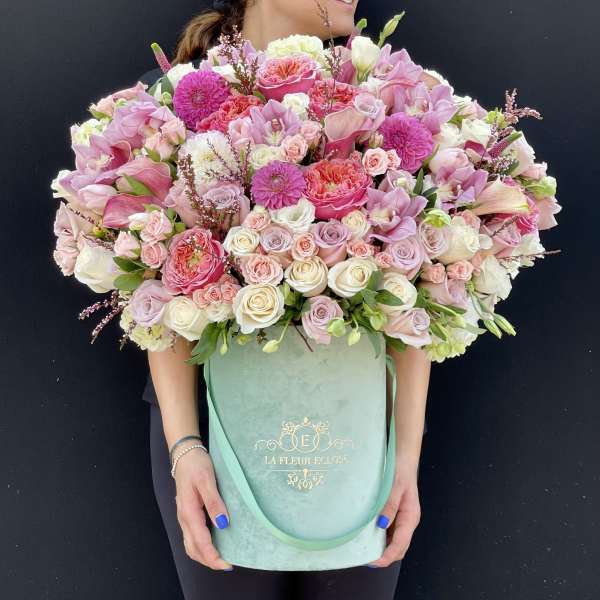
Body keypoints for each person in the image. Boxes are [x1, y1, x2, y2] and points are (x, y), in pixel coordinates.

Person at [141, 1, 431, 598]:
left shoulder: (380, 96)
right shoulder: (173, 97)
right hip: (208, 431)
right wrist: (185, 448)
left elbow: (416, 294)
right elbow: (160, 290)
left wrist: (405, 456)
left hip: (357, 429)